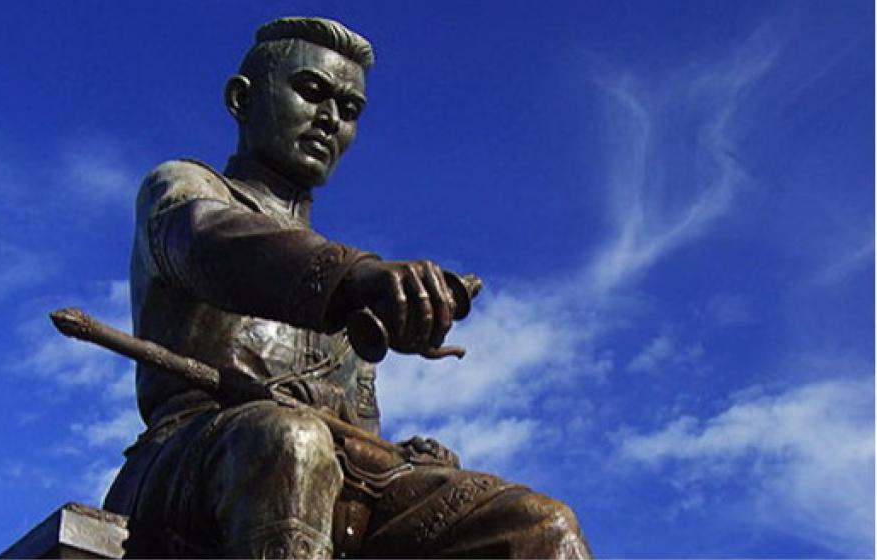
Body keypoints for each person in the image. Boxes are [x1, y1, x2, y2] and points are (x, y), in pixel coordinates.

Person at [103, 16, 592, 559]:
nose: (329, 119)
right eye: (311, 91)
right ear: (242, 99)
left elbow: (356, 427)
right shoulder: (184, 189)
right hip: (187, 462)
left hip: (337, 473)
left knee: (538, 524)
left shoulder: (355, 287)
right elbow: (206, 243)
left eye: (350, 109)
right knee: (292, 440)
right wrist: (352, 277)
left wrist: (403, 455)